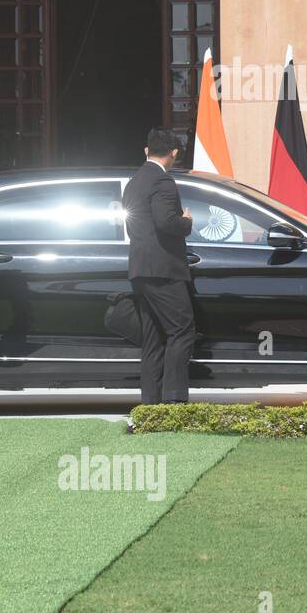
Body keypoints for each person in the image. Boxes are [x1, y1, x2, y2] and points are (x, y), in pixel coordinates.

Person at [123, 127, 196, 405]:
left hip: (140, 268)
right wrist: (186, 222)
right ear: (174, 153)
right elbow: (166, 222)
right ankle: (174, 402)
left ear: (146, 151)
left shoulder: (134, 181)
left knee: (153, 338)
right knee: (182, 331)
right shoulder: (163, 182)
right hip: (163, 270)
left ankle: (150, 405)